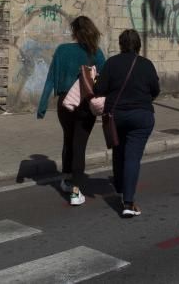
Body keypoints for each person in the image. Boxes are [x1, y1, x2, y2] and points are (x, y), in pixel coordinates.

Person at [36, 15, 106, 206]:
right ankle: (76, 191)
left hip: (64, 104)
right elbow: (105, 81)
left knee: (68, 139)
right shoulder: (95, 52)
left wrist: (42, 107)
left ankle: (67, 180)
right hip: (85, 105)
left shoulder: (62, 50)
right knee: (79, 146)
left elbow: (50, 79)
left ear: (74, 32)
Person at [94, 28, 160, 218]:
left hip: (116, 116)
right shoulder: (147, 64)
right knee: (132, 157)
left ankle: (120, 187)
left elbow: (100, 89)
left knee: (118, 148)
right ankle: (128, 203)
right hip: (141, 116)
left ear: (121, 45)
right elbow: (155, 90)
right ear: (138, 45)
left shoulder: (111, 63)